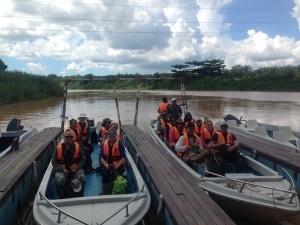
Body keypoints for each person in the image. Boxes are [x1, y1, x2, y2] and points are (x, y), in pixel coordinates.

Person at [52, 130, 86, 199]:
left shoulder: (77, 147)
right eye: (67, 137)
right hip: (63, 170)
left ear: (72, 138)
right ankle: (61, 197)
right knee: (60, 180)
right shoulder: (58, 148)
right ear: (64, 138)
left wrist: (77, 168)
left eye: (71, 137)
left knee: (82, 178)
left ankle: (81, 195)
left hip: (75, 169)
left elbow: (83, 159)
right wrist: (62, 169)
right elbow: (54, 162)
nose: (69, 138)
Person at [99, 128, 126, 195]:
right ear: (108, 136)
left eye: (113, 136)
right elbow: (101, 157)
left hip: (117, 165)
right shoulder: (104, 144)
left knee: (115, 175)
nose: (111, 138)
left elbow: (123, 157)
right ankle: (104, 191)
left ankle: (115, 191)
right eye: (110, 136)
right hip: (107, 165)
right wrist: (106, 165)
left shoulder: (120, 145)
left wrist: (117, 166)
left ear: (115, 136)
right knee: (105, 175)